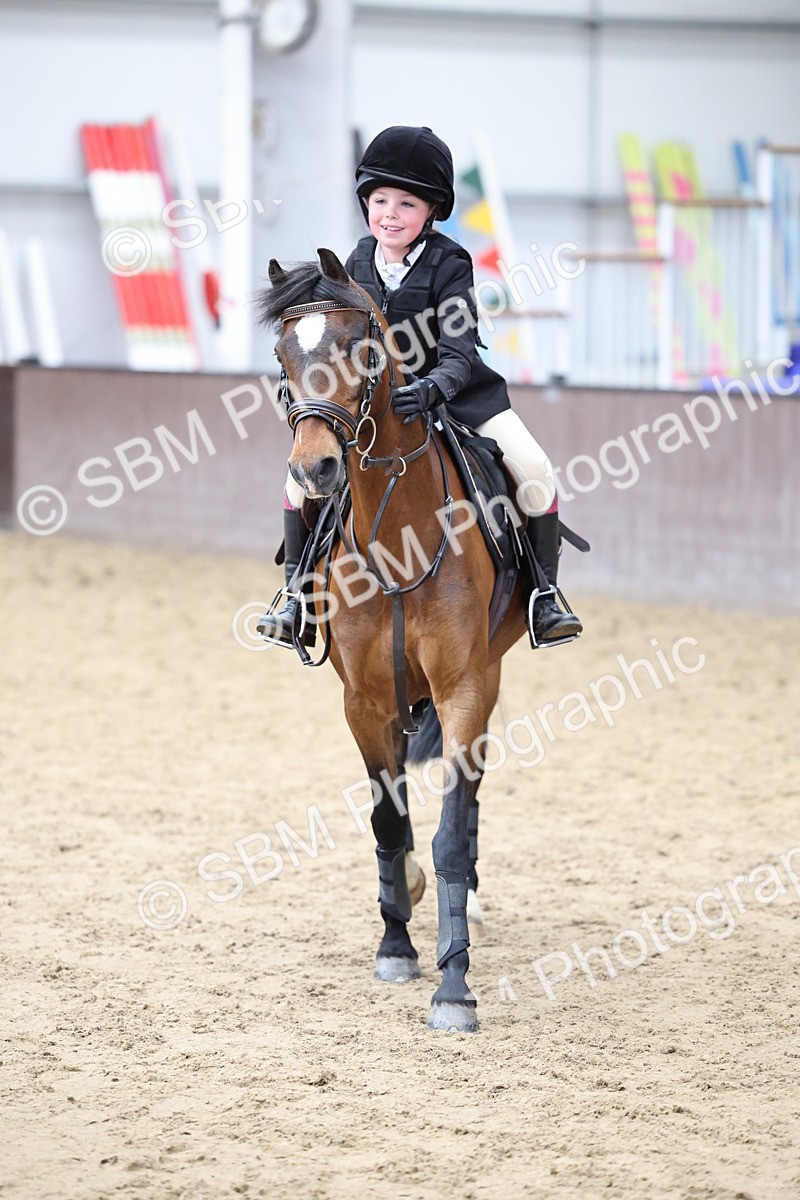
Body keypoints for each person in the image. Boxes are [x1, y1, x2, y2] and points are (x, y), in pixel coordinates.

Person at [259, 125, 582, 648]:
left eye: (406, 204)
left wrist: (432, 389)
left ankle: (545, 596)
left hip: (460, 397)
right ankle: (295, 596)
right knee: (298, 483)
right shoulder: (353, 264)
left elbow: (459, 351)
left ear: (432, 211)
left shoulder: (450, 263)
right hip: (375, 409)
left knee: (536, 469)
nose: (390, 214)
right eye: (380, 201)